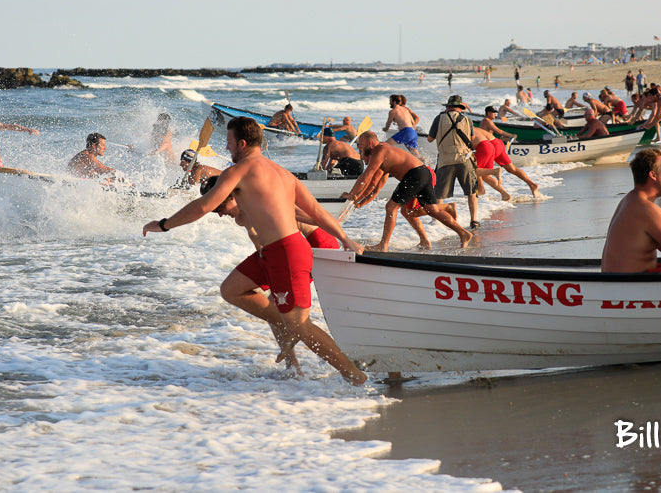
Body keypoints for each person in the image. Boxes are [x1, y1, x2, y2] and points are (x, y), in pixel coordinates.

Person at [142, 117, 366, 385]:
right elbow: (315, 211)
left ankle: (354, 375)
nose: (226, 149)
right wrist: (344, 238)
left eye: (228, 143)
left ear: (242, 143)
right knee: (231, 289)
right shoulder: (282, 173)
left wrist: (164, 224)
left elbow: (203, 206)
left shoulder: (239, 170)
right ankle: (288, 330)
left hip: (287, 251)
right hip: (272, 253)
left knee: (300, 325)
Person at [198, 174, 339, 373]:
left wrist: (342, 236)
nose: (220, 215)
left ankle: (302, 343)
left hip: (317, 244)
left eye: (219, 208)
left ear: (230, 196)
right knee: (275, 302)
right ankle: (293, 365)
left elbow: (300, 221)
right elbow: (258, 241)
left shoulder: (258, 201)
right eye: (214, 212)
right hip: (289, 250)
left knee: (283, 304)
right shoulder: (241, 216)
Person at [343, 131, 471, 252]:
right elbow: (374, 186)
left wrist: (352, 194)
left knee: (391, 207)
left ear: (369, 143)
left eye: (360, 143)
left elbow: (367, 175)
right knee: (430, 210)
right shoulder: (383, 155)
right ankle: (463, 233)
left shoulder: (380, 150)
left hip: (415, 174)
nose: (358, 146)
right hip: (422, 173)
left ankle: (383, 245)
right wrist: (360, 201)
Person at [427, 95, 486, 229]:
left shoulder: (439, 118)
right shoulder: (467, 119)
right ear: (460, 108)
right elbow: (471, 138)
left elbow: (430, 139)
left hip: (445, 159)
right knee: (471, 191)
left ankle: (435, 221)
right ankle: (474, 220)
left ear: (447, 107)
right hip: (464, 158)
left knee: (439, 192)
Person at [472, 125, 540, 200]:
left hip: (488, 146)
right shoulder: (476, 128)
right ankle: (532, 184)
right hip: (498, 143)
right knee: (512, 168)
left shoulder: (464, 130)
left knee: (481, 172)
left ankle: (486, 190)